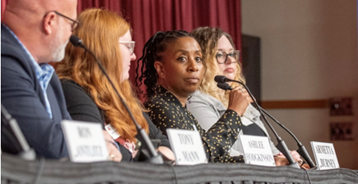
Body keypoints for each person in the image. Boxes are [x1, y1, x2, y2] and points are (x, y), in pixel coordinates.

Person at [1, 0, 121, 161]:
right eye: (71, 25)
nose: (71, 35)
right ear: (50, 21)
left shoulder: (47, 75)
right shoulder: (4, 60)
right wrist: (101, 144)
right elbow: (49, 145)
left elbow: (71, 135)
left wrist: (99, 143)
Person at [55, 8, 174, 162]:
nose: (134, 56)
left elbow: (164, 144)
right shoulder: (72, 90)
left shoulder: (121, 94)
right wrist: (149, 156)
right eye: (128, 47)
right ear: (105, 48)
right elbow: (101, 153)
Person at [187, 26, 303, 166]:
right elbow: (217, 150)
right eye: (220, 55)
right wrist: (272, 160)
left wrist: (287, 158)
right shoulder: (196, 101)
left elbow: (269, 149)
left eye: (231, 53)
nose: (230, 61)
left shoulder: (243, 101)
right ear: (201, 61)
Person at [136, 30, 251, 163]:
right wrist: (234, 113)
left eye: (198, 59)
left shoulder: (181, 109)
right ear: (161, 69)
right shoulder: (160, 106)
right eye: (182, 59)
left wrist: (266, 162)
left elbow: (216, 159)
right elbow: (200, 156)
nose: (194, 67)